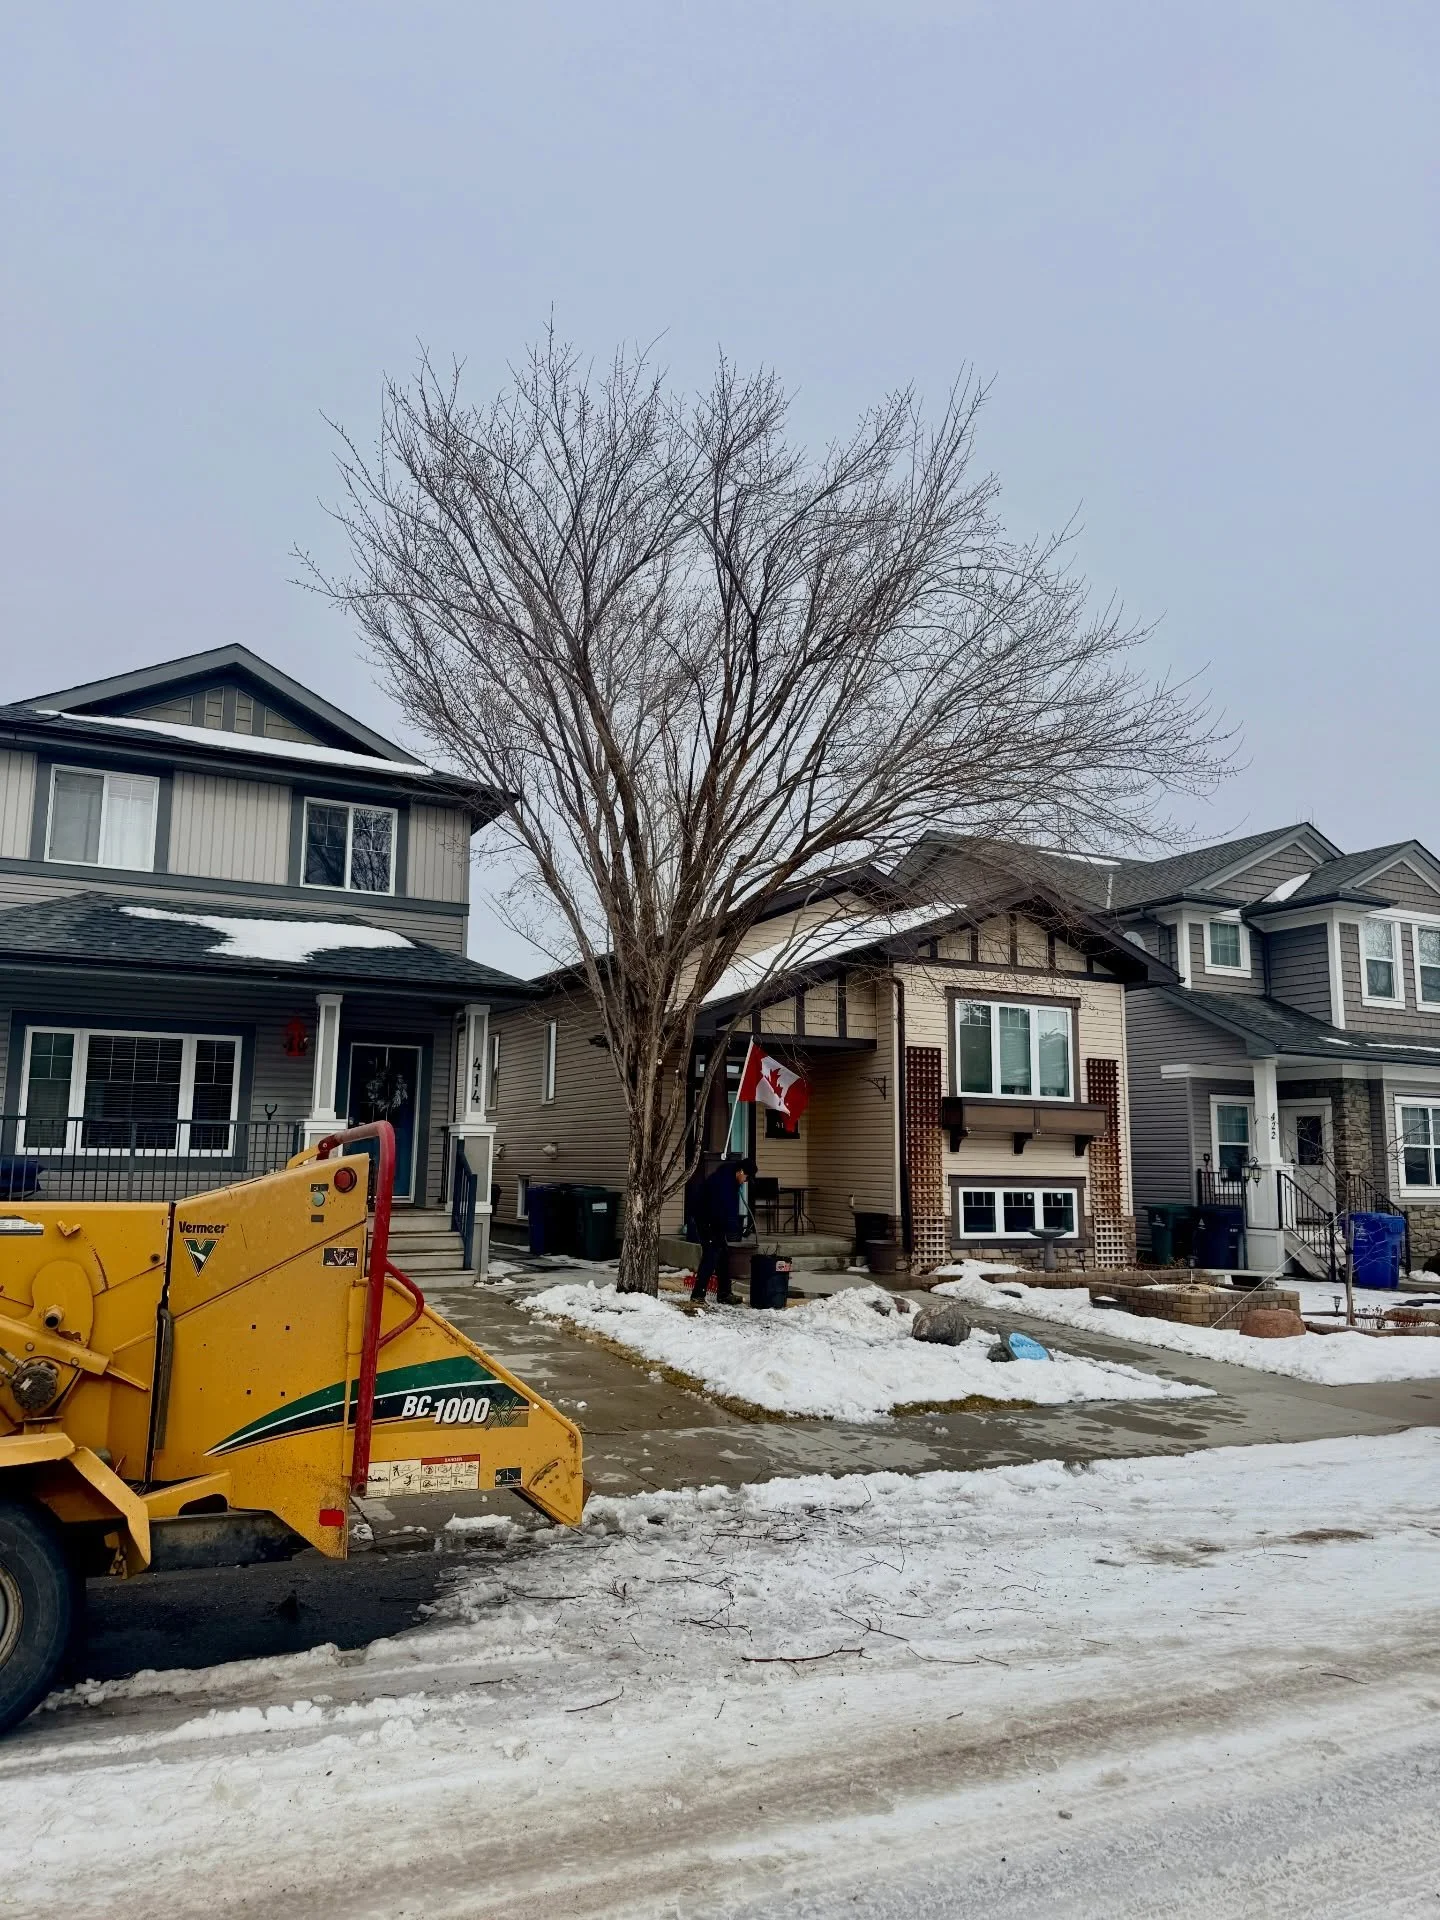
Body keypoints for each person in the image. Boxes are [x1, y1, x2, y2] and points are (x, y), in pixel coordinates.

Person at [689, 1156, 754, 1305]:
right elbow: (721, 1209)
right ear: (741, 1171)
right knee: (711, 1256)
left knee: (723, 1256)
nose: (745, 1181)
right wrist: (733, 1227)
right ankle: (697, 1295)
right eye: (746, 1177)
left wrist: (735, 1227)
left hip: (714, 1221)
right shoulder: (724, 1182)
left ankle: (724, 1294)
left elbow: (729, 1211)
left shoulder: (730, 1179)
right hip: (707, 1222)